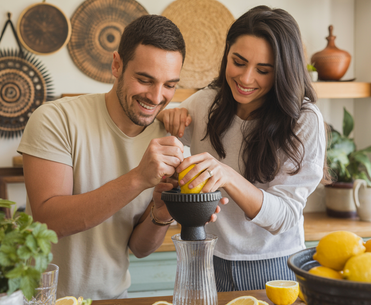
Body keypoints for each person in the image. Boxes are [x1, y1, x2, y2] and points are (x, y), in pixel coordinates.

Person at [18, 15, 225, 300]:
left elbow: (139, 249)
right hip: (46, 298)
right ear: (117, 65)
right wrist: (139, 178)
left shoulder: (165, 138)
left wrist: (160, 213)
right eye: (144, 79)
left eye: (169, 85)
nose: (156, 96)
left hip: (115, 298)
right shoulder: (56, 119)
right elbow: (49, 222)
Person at [157, 5, 330, 291]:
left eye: (263, 70)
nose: (246, 79)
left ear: (284, 72)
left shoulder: (303, 119)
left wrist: (226, 175)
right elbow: (164, 133)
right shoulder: (207, 102)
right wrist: (166, 115)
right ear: (226, 54)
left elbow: (285, 216)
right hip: (208, 257)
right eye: (238, 62)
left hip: (274, 264)